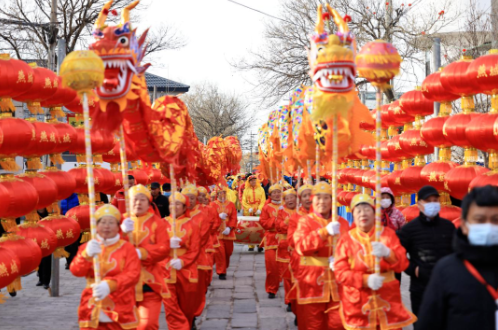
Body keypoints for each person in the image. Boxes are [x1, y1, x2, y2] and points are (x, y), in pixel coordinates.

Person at [417, 185, 498, 330]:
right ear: (465, 225)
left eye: (496, 220)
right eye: (480, 220)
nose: (489, 226)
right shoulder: (446, 271)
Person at [335, 194, 416, 330]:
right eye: (358, 210)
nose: (363, 214)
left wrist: (388, 253)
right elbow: (340, 272)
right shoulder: (346, 240)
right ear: (353, 214)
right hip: (358, 304)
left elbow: (403, 264)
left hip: (388, 301)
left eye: (367, 209)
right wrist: (364, 280)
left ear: (374, 213)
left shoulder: (387, 235)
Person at [70, 204, 141, 330]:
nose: (107, 226)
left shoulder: (127, 248)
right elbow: (76, 271)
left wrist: (110, 285)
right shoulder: (89, 246)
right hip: (92, 305)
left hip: (121, 307)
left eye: (111, 222)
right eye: (103, 222)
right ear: (96, 225)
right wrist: (85, 255)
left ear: (118, 226)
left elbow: (133, 274)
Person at [292, 181, 350, 329]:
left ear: (332, 200)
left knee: (338, 323)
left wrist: (341, 260)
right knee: (313, 324)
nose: (322, 202)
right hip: (312, 281)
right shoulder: (305, 221)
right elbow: (301, 246)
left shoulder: (342, 223)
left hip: (337, 283)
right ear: (313, 199)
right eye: (318, 197)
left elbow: (351, 249)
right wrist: (324, 233)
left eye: (326, 198)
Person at [397, 185, 455, 316]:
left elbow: (457, 252)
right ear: (419, 204)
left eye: (435, 200)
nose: (432, 204)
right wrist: (413, 269)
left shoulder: (448, 227)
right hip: (420, 289)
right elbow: (397, 253)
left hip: (446, 287)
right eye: (428, 201)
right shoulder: (410, 229)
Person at [120, 184, 170, 330]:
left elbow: (164, 248)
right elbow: (107, 247)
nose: (138, 203)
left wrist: (142, 253)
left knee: (147, 324)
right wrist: (120, 233)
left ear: (148, 202)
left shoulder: (156, 223)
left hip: (150, 280)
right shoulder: (121, 221)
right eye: (135, 199)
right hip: (125, 282)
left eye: (142, 199)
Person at [161, 190, 201, 330]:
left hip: (186, 271)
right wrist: (166, 245)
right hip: (166, 270)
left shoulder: (192, 224)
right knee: (170, 308)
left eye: (178, 204)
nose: (174, 206)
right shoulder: (162, 224)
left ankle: (188, 323)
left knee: (187, 308)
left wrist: (183, 261)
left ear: (185, 207)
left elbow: (195, 249)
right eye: (172, 203)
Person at [287, 183, 313, 325]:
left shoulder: (325, 216)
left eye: (311, 195)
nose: (308, 198)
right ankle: (299, 312)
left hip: (320, 263)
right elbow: (291, 240)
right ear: (300, 199)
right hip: (300, 259)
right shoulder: (295, 217)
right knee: (298, 289)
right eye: (305, 196)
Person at [259, 183, 283, 299]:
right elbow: (263, 223)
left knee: (283, 267)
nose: (277, 194)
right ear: (270, 195)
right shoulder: (266, 207)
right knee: (271, 266)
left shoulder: (287, 206)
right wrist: (274, 219)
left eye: (279, 192)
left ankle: (280, 282)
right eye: (274, 192)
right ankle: (271, 289)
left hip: (284, 239)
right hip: (271, 239)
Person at [275, 188, 297, 312]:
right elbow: (278, 227)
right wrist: (287, 222)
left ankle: (297, 299)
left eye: (292, 197)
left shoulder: (302, 211)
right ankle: (289, 300)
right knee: (287, 277)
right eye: (287, 198)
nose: (290, 200)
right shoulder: (281, 211)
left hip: (299, 248)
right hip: (285, 247)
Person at [211, 186, 237, 280]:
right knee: (220, 252)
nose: (222, 195)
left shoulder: (231, 204)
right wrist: (218, 216)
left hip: (228, 232)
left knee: (228, 252)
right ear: (217, 194)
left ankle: (223, 267)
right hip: (217, 233)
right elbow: (210, 217)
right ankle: (221, 272)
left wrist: (230, 228)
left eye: (224, 193)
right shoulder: (213, 205)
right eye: (220, 193)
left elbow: (234, 217)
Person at [242, 175, 267, 251]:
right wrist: (249, 208)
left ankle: (260, 244)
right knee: (250, 227)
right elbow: (243, 201)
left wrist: (260, 209)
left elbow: (263, 200)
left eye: (254, 180)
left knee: (259, 227)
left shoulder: (261, 189)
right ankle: (251, 245)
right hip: (249, 211)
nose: (253, 182)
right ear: (249, 182)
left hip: (258, 210)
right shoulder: (246, 190)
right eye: (251, 180)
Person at [36, 208, 51, 289]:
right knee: (39, 261)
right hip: (37, 240)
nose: (41, 208)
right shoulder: (33, 216)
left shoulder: (50, 215)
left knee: (47, 262)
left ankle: (46, 281)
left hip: (47, 241)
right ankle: (41, 279)